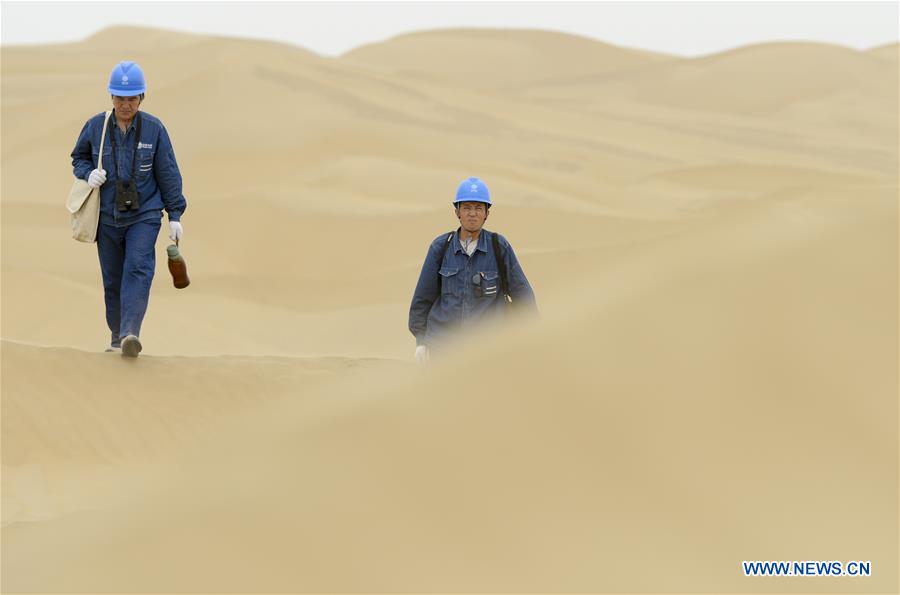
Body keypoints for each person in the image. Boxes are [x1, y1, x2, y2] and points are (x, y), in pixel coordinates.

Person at [71, 61, 187, 358]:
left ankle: (130, 333)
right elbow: (78, 158)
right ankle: (116, 336)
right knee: (112, 279)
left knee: (137, 268)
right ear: (111, 97)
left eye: (131, 98)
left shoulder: (154, 129)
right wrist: (88, 174)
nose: (125, 104)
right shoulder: (96, 126)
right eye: (120, 98)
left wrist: (174, 216)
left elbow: (169, 173)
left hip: (144, 214)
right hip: (107, 217)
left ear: (142, 98)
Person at [408, 177, 537, 363]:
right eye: (467, 207)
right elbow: (422, 299)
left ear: (487, 213)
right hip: (444, 348)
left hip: (488, 349)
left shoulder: (499, 247)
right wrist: (421, 341)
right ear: (457, 212)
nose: (472, 213)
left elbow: (523, 295)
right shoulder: (440, 247)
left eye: (478, 208)